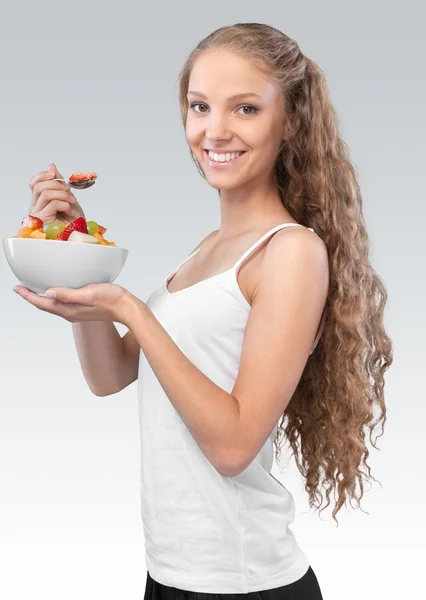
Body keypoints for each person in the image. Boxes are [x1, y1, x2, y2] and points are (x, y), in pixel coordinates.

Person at [16, 22, 393, 600]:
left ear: (289, 120)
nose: (214, 130)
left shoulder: (290, 251)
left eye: (244, 108)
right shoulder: (203, 252)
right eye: (200, 106)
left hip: (244, 584)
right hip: (169, 574)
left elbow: (234, 445)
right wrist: (74, 255)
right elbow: (111, 375)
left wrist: (132, 309)